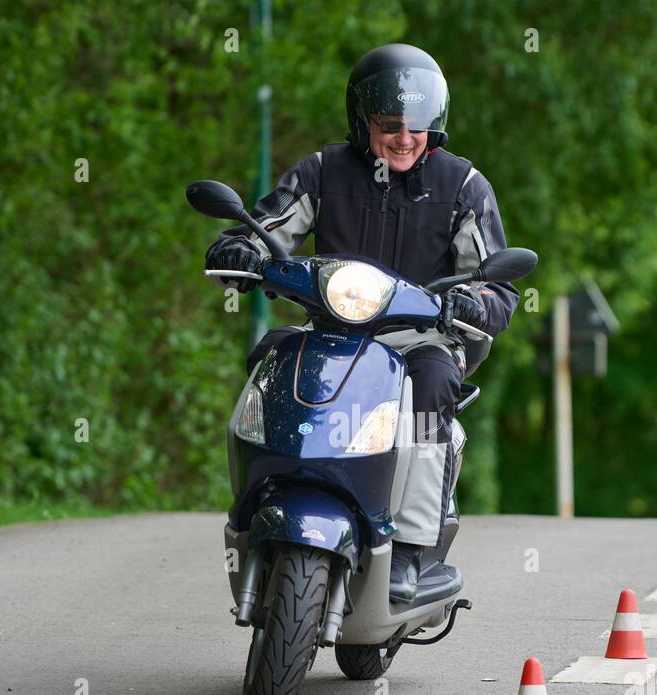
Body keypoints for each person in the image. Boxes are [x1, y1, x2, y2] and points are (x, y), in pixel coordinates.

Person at [205, 43, 520, 603]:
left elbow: (497, 282)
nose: (404, 138)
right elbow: (270, 225)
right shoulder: (323, 172)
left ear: (436, 125)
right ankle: (258, 502)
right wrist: (240, 249)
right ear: (361, 121)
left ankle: (413, 547)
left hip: (420, 338)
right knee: (272, 363)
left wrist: (477, 301)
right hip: (332, 329)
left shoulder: (463, 185)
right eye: (389, 125)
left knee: (431, 389)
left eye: (417, 127)